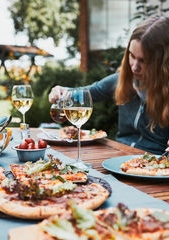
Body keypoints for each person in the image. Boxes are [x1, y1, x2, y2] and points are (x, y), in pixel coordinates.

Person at [49, 16, 169, 155]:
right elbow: (88, 92)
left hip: (155, 165)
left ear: (162, 62)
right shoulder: (121, 80)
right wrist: (61, 91)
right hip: (119, 156)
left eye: (144, 60)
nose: (135, 67)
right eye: (132, 56)